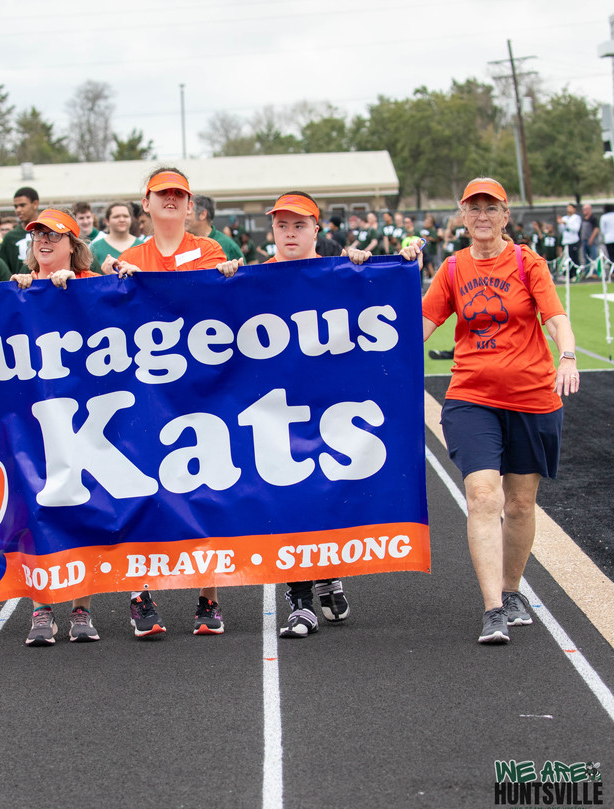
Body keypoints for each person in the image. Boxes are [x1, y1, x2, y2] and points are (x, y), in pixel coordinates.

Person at [217, 191, 423, 639]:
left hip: (331, 405)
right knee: (287, 498)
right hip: (277, 411)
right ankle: (300, 600)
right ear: (272, 230)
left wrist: (384, 265)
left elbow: (381, 298)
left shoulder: (339, 270)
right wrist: (226, 283)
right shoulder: (253, 277)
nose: (290, 233)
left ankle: (328, 573)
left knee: (327, 490)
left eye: (299, 225)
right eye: (282, 226)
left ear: (316, 229)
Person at [422, 178, 578, 645]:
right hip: (471, 397)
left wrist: (568, 356)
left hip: (532, 398)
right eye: (474, 208)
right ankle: (493, 609)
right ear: (463, 216)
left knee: (520, 503)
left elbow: (556, 319)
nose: (483, 216)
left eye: (491, 208)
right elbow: (418, 326)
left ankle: (512, 591)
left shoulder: (528, 262)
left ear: (505, 216)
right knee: (483, 496)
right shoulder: (453, 268)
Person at [111, 168, 227, 637]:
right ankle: (140, 595)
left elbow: (208, 304)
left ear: (191, 204)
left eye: (180, 194)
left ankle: (208, 598)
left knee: (204, 489)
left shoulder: (211, 251)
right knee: (141, 492)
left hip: (200, 391)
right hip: (146, 395)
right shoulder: (128, 258)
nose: (172, 200)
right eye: (163, 194)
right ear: (147, 203)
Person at [9, 208, 101, 645]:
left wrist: (76, 292)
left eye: (53, 235)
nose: (43, 241)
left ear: (72, 245)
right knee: (38, 508)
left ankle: (82, 609)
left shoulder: (92, 283)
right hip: (35, 416)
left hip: (84, 413)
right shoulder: (18, 287)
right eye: (37, 235)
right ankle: (42, 609)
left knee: (83, 505)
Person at [187, 194, 243, 262]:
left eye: (188, 213)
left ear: (202, 215)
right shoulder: (182, 244)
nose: (183, 217)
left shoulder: (227, 246)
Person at [90, 202, 144, 270]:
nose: (122, 220)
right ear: (107, 221)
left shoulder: (143, 246)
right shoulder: (95, 248)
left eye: (126, 216)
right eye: (116, 217)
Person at [0, 187, 39, 276]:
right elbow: (3, 270)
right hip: (18, 284)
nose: (18, 210)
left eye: (22, 205)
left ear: (35, 204)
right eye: (16, 206)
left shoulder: (48, 234)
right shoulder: (10, 237)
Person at [580, 203, 600, 277]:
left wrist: (591, 239)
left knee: (594, 257)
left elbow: (596, 229)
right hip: (584, 240)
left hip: (591, 241)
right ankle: (587, 272)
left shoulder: (593, 218)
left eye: (585, 209)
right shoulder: (583, 218)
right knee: (586, 258)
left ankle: (595, 272)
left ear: (589, 209)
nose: (584, 211)